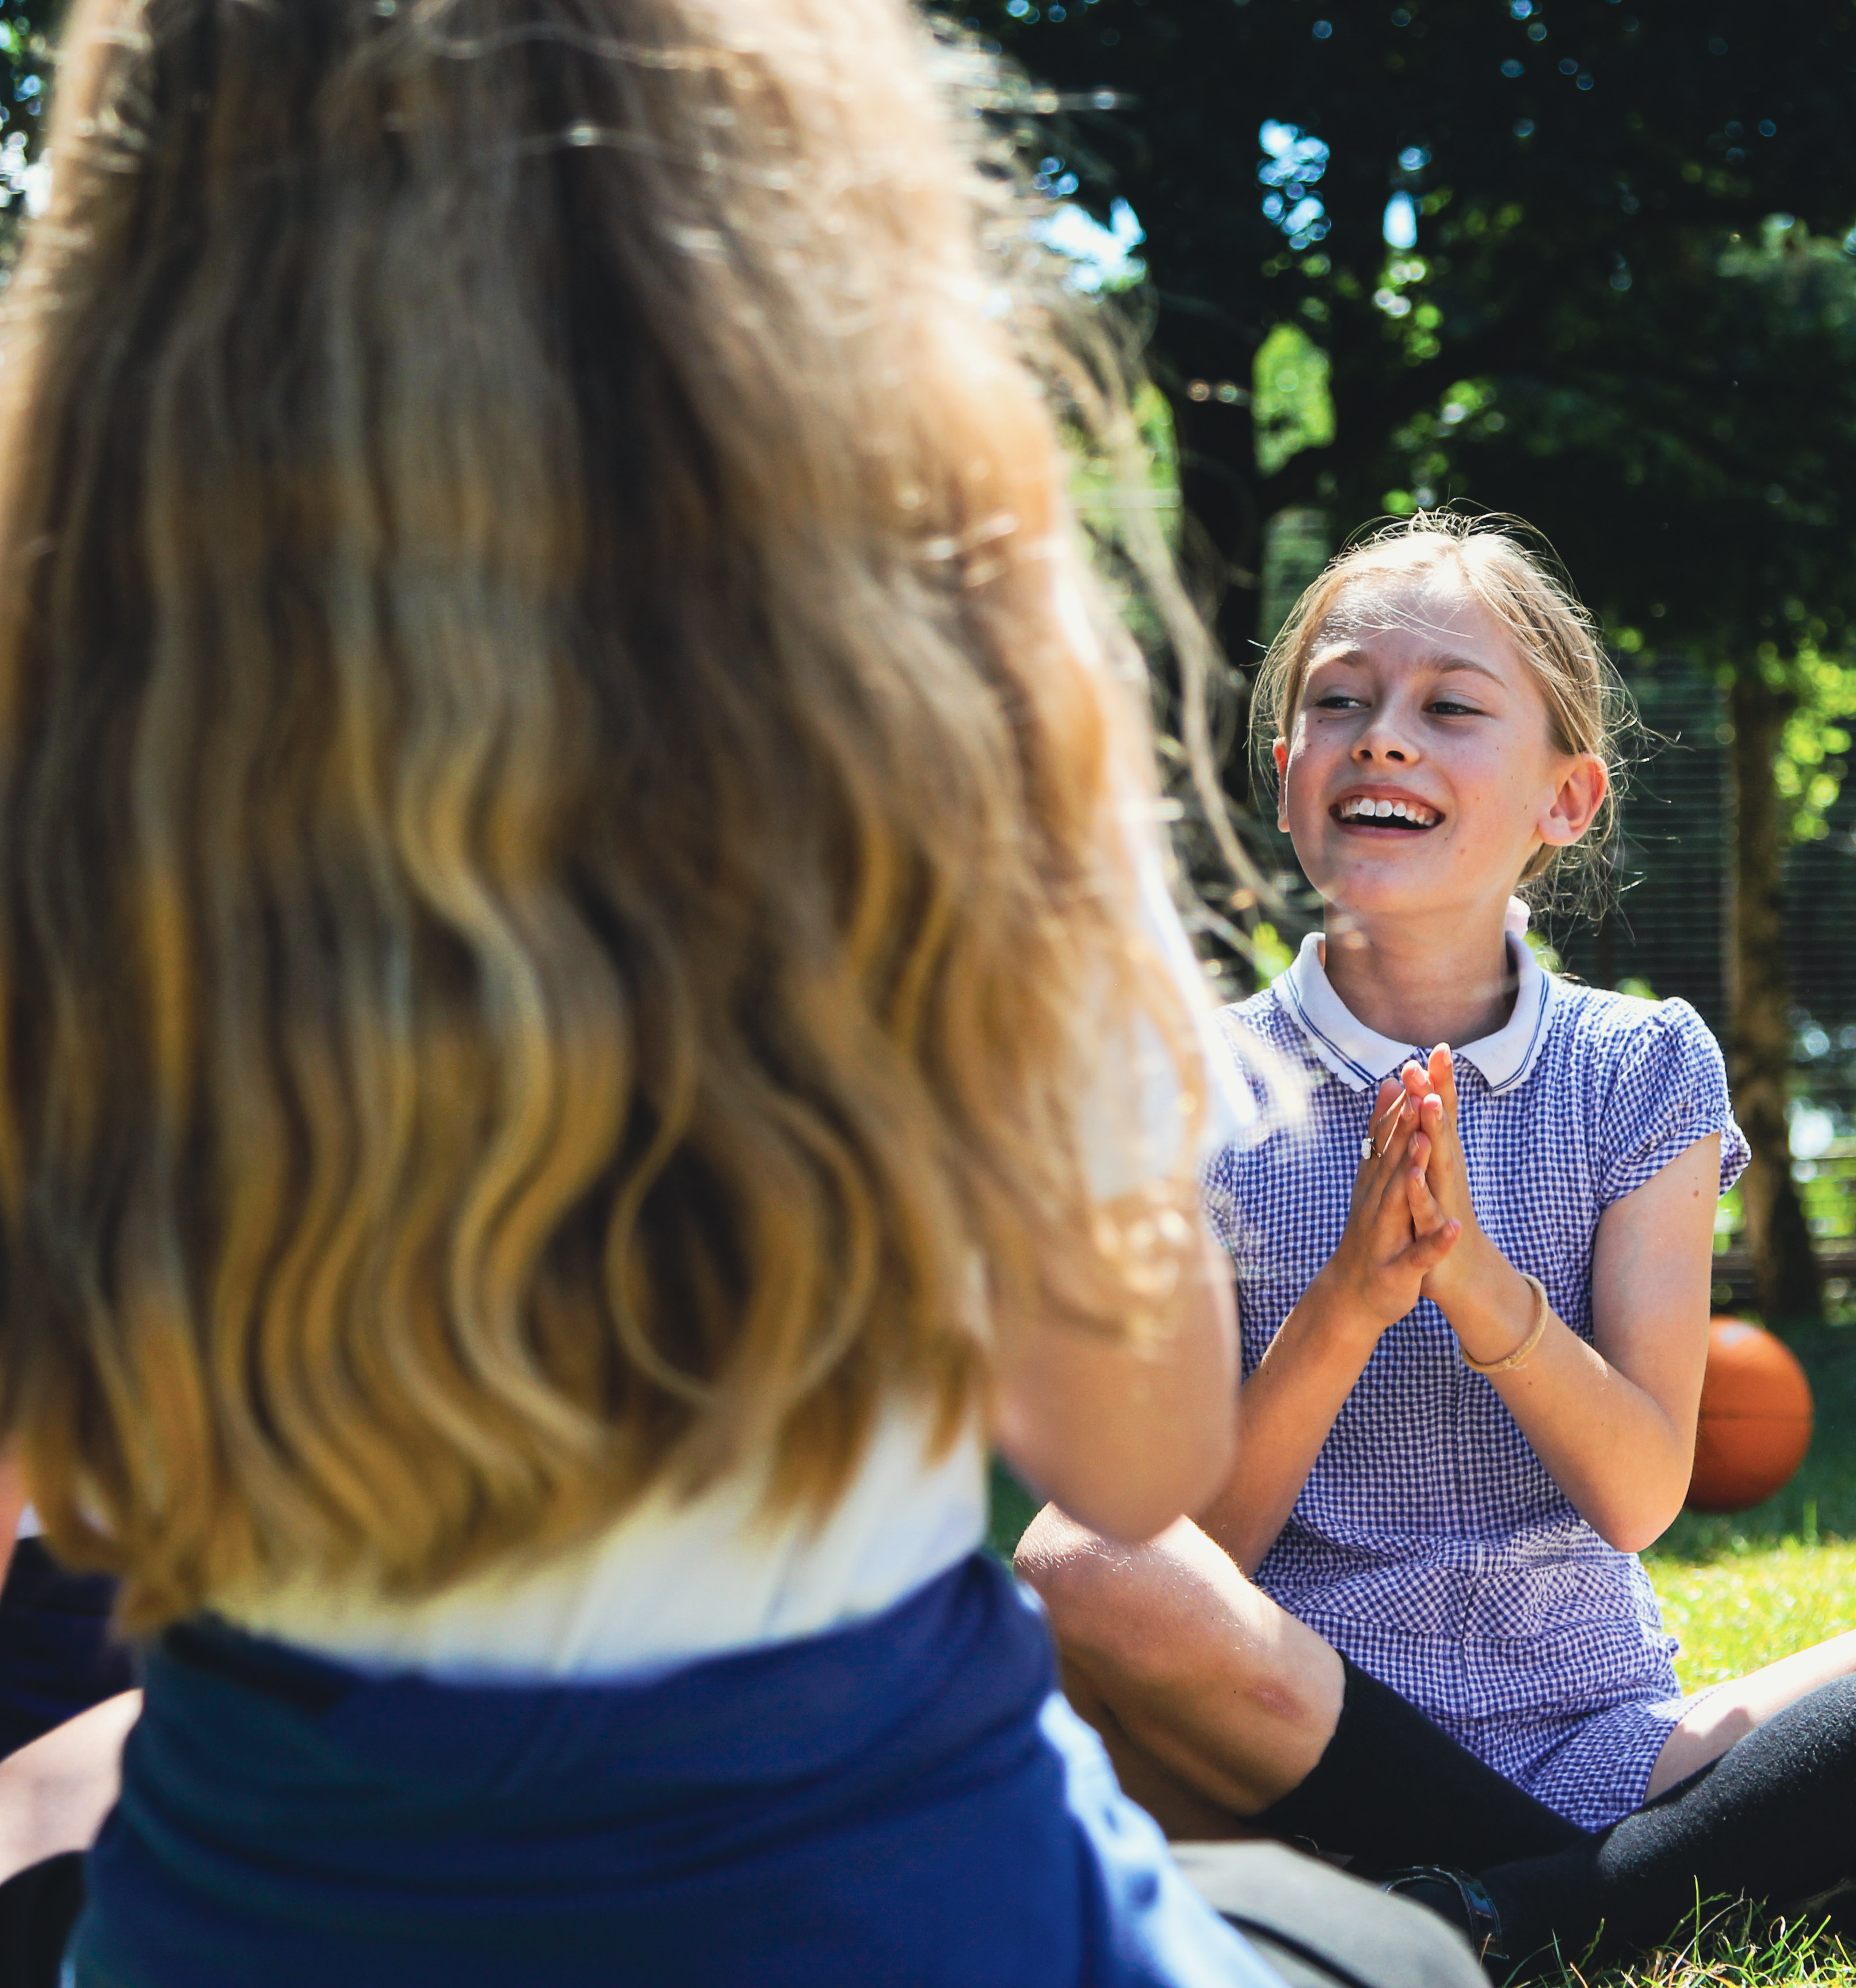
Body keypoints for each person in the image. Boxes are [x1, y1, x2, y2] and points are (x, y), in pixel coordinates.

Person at [0, 1, 1485, 1983]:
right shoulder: (950, 739)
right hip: (910, 1921)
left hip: (244, 1926)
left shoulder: (63, 775)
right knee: (1383, 1953)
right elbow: (1133, 1459)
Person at [1016, 515, 1856, 1966]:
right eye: (1341, 700)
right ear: (1288, 771)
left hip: (1608, 1743)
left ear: (1565, 799)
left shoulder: (1642, 1069)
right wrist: (1351, 1303)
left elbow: (1638, 1495)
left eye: (1451, 706)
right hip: (1288, 1738)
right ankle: (1725, 1869)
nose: (1385, 735)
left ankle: (1532, 1916)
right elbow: (1206, 1550)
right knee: (1082, 1556)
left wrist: (1478, 1286)